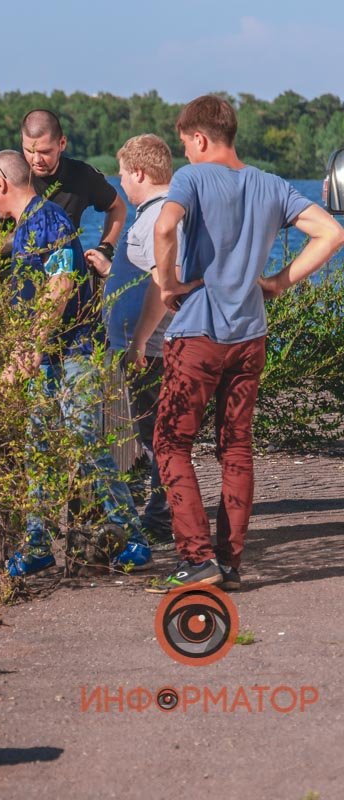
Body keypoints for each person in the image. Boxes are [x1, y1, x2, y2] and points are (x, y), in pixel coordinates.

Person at [146, 96, 344, 593]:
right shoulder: (272, 185)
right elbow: (331, 232)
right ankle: (231, 563)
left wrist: (167, 284)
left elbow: (165, 225)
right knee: (235, 447)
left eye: (185, 144)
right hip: (249, 338)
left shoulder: (192, 179)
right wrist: (277, 282)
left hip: (197, 337)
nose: (186, 155)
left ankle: (196, 559)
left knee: (170, 443)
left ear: (200, 139)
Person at [0, 149, 152, 576]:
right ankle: (38, 544)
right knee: (41, 447)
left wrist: (26, 351)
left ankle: (134, 537)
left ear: (1, 184)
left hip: (73, 353)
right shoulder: (23, 228)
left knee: (84, 442)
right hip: (48, 357)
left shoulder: (48, 221)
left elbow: (59, 286)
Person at [86, 134, 179, 550]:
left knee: (156, 435)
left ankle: (161, 516)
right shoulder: (161, 213)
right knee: (157, 433)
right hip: (148, 345)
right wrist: (111, 272)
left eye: (123, 174)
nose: (121, 182)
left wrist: (139, 339)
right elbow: (145, 276)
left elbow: (163, 281)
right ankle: (163, 511)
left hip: (151, 348)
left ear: (139, 172)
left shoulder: (153, 220)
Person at [0, 110, 127, 285]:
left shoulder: (82, 175)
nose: (36, 159)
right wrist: (34, 239)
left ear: (62, 143)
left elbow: (118, 207)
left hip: (59, 284)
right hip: (7, 288)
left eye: (45, 151)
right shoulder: (5, 175)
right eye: (29, 151)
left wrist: (105, 248)